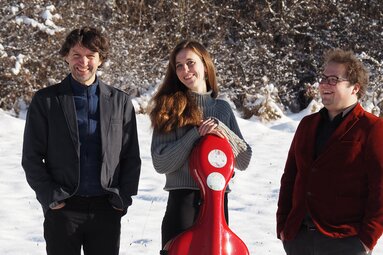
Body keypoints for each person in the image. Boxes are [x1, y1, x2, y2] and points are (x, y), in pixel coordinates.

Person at [22, 26, 141, 255]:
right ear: (66, 56)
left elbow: (131, 156)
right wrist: (50, 197)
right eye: (76, 55)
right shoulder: (46, 100)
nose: (83, 62)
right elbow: (31, 157)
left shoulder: (120, 102)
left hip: (106, 209)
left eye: (90, 56)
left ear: (100, 59)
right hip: (63, 209)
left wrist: (122, 198)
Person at [276, 48, 383, 255]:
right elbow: (290, 177)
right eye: (324, 78)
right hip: (299, 238)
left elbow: (380, 188)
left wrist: (366, 240)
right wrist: (283, 225)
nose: (325, 84)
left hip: (344, 241)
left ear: (355, 88)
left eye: (334, 79)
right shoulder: (307, 124)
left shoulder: (372, 128)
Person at [149, 39, 252, 249]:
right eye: (179, 66)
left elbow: (243, 160)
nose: (185, 70)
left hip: (218, 202)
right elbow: (161, 163)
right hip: (182, 202)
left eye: (190, 62)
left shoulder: (222, 109)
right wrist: (194, 135)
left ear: (205, 65)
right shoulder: (168, 108)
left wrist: (222, 130)